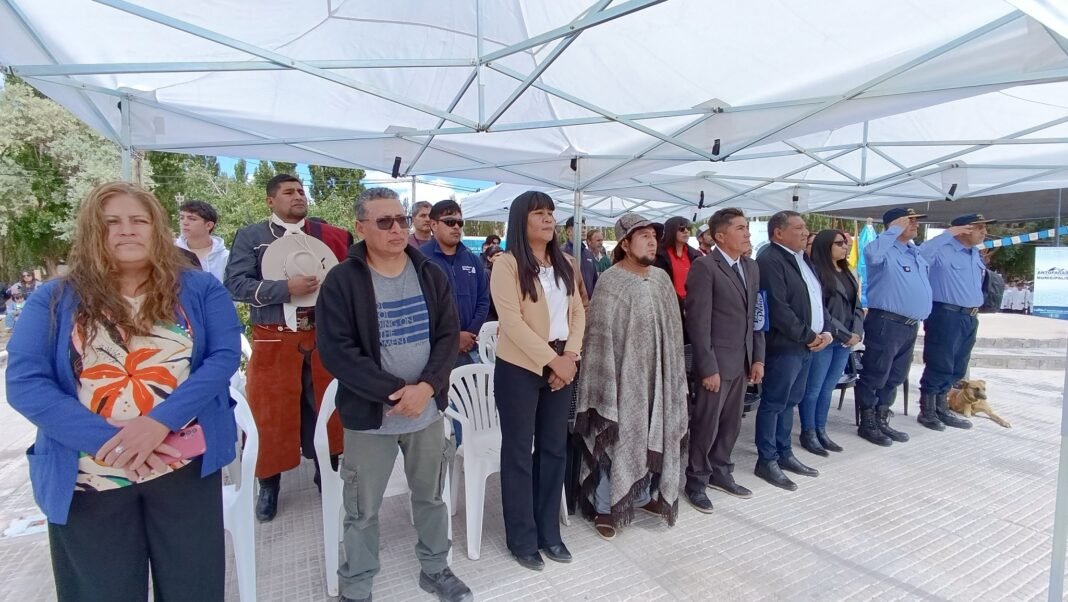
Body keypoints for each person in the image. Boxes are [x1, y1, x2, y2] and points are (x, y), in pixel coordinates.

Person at [6, 181, 241, 601]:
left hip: (182, 467)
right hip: (89, 476)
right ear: (94, 232)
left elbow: (222, 359)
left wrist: (157, 424)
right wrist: (114, 442)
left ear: (157, 228)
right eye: (111, 222)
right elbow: (26, 383)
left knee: (195, 589)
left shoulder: (200, 290)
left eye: (139, 220)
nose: (127, 230)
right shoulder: (55, 299)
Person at [316, 187, 472, 602]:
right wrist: (393, 393)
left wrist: (426, 388)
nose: (396, 228)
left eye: (400, 219)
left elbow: (446, 336)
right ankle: (356, 585)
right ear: (361, 227)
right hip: (371, 418)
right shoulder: (343, 281)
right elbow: (337, 351)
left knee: (431, 497)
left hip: (426, 412)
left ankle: (436, 569)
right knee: (362, 509)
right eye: (383, 222)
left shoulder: (429, 273)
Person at [224, 173, 352, 522]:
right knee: (271, 414)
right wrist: (284, 288)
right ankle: (269, 484)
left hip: (321, 336)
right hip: (274, 337)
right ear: (270, 201)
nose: (298, 196)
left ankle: (326, 470)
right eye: (288, 192)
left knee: (327, 407)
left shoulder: (325, 236)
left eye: (300, 191)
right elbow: (234, 284)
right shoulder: (252, 236)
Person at [574, 212, 688, 539]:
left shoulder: (662, 280)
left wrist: (670, 375)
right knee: (620, 435)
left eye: (654, 235)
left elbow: (672, 336)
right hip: (621, 379)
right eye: (644, 236)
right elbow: (598, 340)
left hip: (658, 377)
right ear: (625, 243)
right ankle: (607, 507)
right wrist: (612, 380)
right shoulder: (611, 282)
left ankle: (643, 495)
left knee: (657, 428)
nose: (652, 241)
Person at [490, 190, 585, 571]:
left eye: (550, 213)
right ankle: (522, 538)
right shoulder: (507, 265)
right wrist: (553, 362)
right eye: (538, 213)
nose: (548, 219)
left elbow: (579, 311)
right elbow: (510, 323)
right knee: (517, 453)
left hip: (561, 361)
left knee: (553, 449)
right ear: (521, 220)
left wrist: (571, 357)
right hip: (519, 367)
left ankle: (549, 532)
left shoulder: (565, 263)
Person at [684, 208, 765, 511]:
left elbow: (755, 317)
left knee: (731, 424)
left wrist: (758, 358)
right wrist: (707, 367)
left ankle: (721, 472)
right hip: (716, 364)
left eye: (747, 228)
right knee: (707, 424)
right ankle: (696, 481)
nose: (747, 233)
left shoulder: (751, 267)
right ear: (720, 236)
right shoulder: (705, 267)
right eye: (740, 228)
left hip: (742, 361)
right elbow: (698, 322)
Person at [754, 211, 831, 491]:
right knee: (774, 402)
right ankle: (767, 459)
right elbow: (778, 308)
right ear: (778, 233)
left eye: (805, 227)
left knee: (790, 401)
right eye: (798, 227)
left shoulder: (801, 259)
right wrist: (809, 335)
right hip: (785, 346)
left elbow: (815, 300)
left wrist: (826, 331)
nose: (805, 232)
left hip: (806, 345)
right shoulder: (770, 260)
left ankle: (784, 452)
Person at [853, 208, 932, 446]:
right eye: (910, 220)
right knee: (876, 373)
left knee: (896, 376)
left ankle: (882, 418)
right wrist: (893, 230)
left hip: (909, 325)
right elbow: (871, 255)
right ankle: (867, 422)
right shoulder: (882, 248)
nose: (915, 224)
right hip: (887, 321)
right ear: (894, 224)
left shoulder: (913, 252)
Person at [916, 213, 995, 431]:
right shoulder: (942, 249)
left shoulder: (974, 254)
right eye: (980, 228)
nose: (984, 232)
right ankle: (928, 410)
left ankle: (943, 407)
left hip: (969, 316)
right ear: (965, 229)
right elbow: (920, 254)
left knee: (957, 366)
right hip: (946, 314)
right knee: (940, 363)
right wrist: (949, 234)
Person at [798, 230, 863, 456]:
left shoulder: (846, 272)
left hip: (845, 341)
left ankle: (821, 430)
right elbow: (821, 312)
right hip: (827, 339)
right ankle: (808, 432)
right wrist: (845, 334)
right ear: (826, 246)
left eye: (845, 242)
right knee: (813, 388)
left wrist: (857, 331)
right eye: (839, 243)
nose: (845, 246)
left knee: (827, 388)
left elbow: (857, 306)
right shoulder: (816, 272)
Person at [421, 199, 490, 367]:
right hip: (434, 350)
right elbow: (420, 307)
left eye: (460, 222)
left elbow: (483, 300)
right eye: (450, 222)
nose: (456, 227)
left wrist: (470, 333)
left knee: (471, 392)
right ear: (434, 225)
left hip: (470, 346)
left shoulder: (473, 260)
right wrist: (452, 337)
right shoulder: (420, 259)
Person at [654, 216, 702, 314]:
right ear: (670, 231)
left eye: (688, 228)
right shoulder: (658, 255)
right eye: (681, 229)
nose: (686, 231)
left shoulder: (696, 254)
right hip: (669, 306)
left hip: (693, 306)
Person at [175, 199, 230, 283]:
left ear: (209, 225)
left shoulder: (226, 258)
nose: (184, 222)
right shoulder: (171, 253)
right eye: (182, 218)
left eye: (192, 219)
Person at [561, 216, 598, 296]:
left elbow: (595, 280)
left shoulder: (589, 254)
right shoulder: (561, 254)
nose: (584, 230)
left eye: (584, 228)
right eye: (580, 227)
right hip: (570, 302)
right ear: (569, 231)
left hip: (588, 304)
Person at [483, 244, 504, 322]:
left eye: (503, 255)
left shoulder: (505, 273)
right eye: (497, 255)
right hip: (491, 317)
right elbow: (488, 297)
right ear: (489, 258)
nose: (501, 258)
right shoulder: (486, 273)